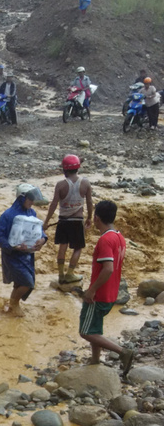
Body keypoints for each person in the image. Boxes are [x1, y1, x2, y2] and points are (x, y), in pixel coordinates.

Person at [80, 199, 133, 375]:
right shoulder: (119, 237)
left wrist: (92, 290)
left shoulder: (105, 240)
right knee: (95, 327)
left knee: (86, 332)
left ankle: (122, 352)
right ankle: (95, 359)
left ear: (96, 218)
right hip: (111, 292)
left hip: (99, 294)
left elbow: (108, 268)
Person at [0, 183, 47, 317]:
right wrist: (12, 246)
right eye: (30, 199)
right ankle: (14, 304)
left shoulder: (32, 213)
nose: (32, 202)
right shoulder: (8, 215)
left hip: (27, 256)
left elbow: (39, 232)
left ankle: (11, 308)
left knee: (20, 282)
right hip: (12, 256)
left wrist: (43, 240)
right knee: (28, 283)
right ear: (22, 198)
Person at [43, 154, 93, 284]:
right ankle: (70, 274)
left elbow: (54, 204)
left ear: (65, 170)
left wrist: (46, 221)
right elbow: (89, 202)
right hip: (77, 221)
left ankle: (60, 275)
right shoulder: (85, 183)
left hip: (63, 221)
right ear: (78, 168)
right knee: (77, 248)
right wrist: (89, 218)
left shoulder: (60, 185)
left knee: (62, 247)